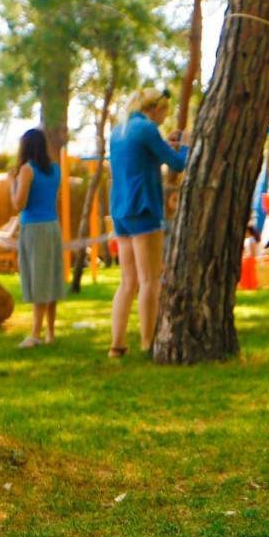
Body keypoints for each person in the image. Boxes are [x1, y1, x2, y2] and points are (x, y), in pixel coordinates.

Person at [107, 88, 188, 358]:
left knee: (127, 281)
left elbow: (141, 157)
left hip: (121, 210)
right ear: (156, 108)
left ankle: (117, 344)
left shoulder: (119, 130)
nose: (165, 117)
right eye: (165, 112)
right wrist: (187, 143)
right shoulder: (147, 129)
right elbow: (177, 162)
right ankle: (147, 341)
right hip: (144, 207)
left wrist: (166, 141)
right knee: (149, 280)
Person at [9, 128, 63, 348]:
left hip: (33, 229)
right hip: (52, 227)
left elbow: (19, 204)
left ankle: (35, 334)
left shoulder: (27, 170)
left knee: (39, 279)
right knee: (51, 276)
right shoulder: (55, 170)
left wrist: (10, 183)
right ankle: (50, 332)